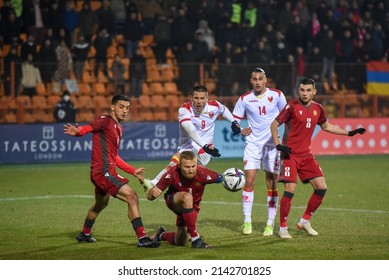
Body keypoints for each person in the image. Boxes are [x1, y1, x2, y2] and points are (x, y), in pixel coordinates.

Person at [270, 77, 366, 239]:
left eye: (308, 90)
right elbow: (274, 124)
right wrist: (278, 144)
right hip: (290, 155)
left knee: (321, 187)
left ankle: (305, 221)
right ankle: (283, 228)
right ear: (298, 91)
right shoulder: (291, 106)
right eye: (302, 90)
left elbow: (326, 126)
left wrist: (349, 133)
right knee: (290, 190)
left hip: (306, 155)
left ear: (314, 91)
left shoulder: (318, 108)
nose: (305, 93)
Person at [63, 94, 160, 248]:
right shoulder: (105, 120)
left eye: (127, 108)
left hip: (105, 172)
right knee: (132, 196)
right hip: (103, 172)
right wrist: (78, 132)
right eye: (121, 107)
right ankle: (143, 238)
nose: (125, 111)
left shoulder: (118, 128)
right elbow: (89, 127)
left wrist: (132, 171)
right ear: (113, 107)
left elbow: (114, 156)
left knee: (100, 205)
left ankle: (85, 233)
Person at [142, 85, 241, 189]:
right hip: (197, 147)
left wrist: (234, 122)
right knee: (182, 179)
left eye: (202, 98)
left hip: (205, 151)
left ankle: (154, 182)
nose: (199, 101)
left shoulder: (214, 106)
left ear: (207, 99)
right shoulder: (184, 110)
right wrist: (205, 145)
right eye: (196, 98)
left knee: (179, 158)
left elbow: (224, 110)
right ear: (191, 98)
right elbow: (190, 130)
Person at [232, 67, 287, 236]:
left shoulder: (277, 95)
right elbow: (234, 121)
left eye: (260, 79)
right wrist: (239, 130)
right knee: (249, 181)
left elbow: (288, 115)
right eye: (254, 79)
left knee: (272, 183)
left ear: (265, 80)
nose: (257, 82)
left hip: (272, 146)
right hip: (253, 145)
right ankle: (247, 221)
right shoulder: (245, 99)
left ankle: (270, 224)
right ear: (251, 81)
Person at [147, 150, 224, 249]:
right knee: (187, 197)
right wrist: (152, 193)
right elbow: (150, 197)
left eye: (193, 166)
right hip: (174, 200)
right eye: (187, 167)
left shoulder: (203, 173)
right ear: (179, 166)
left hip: (193, 207)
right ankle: (196, 240)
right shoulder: (172, 173)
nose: (191, 170)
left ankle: (161, 234)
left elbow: (222, 177)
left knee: (181, 241)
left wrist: (232, 178)